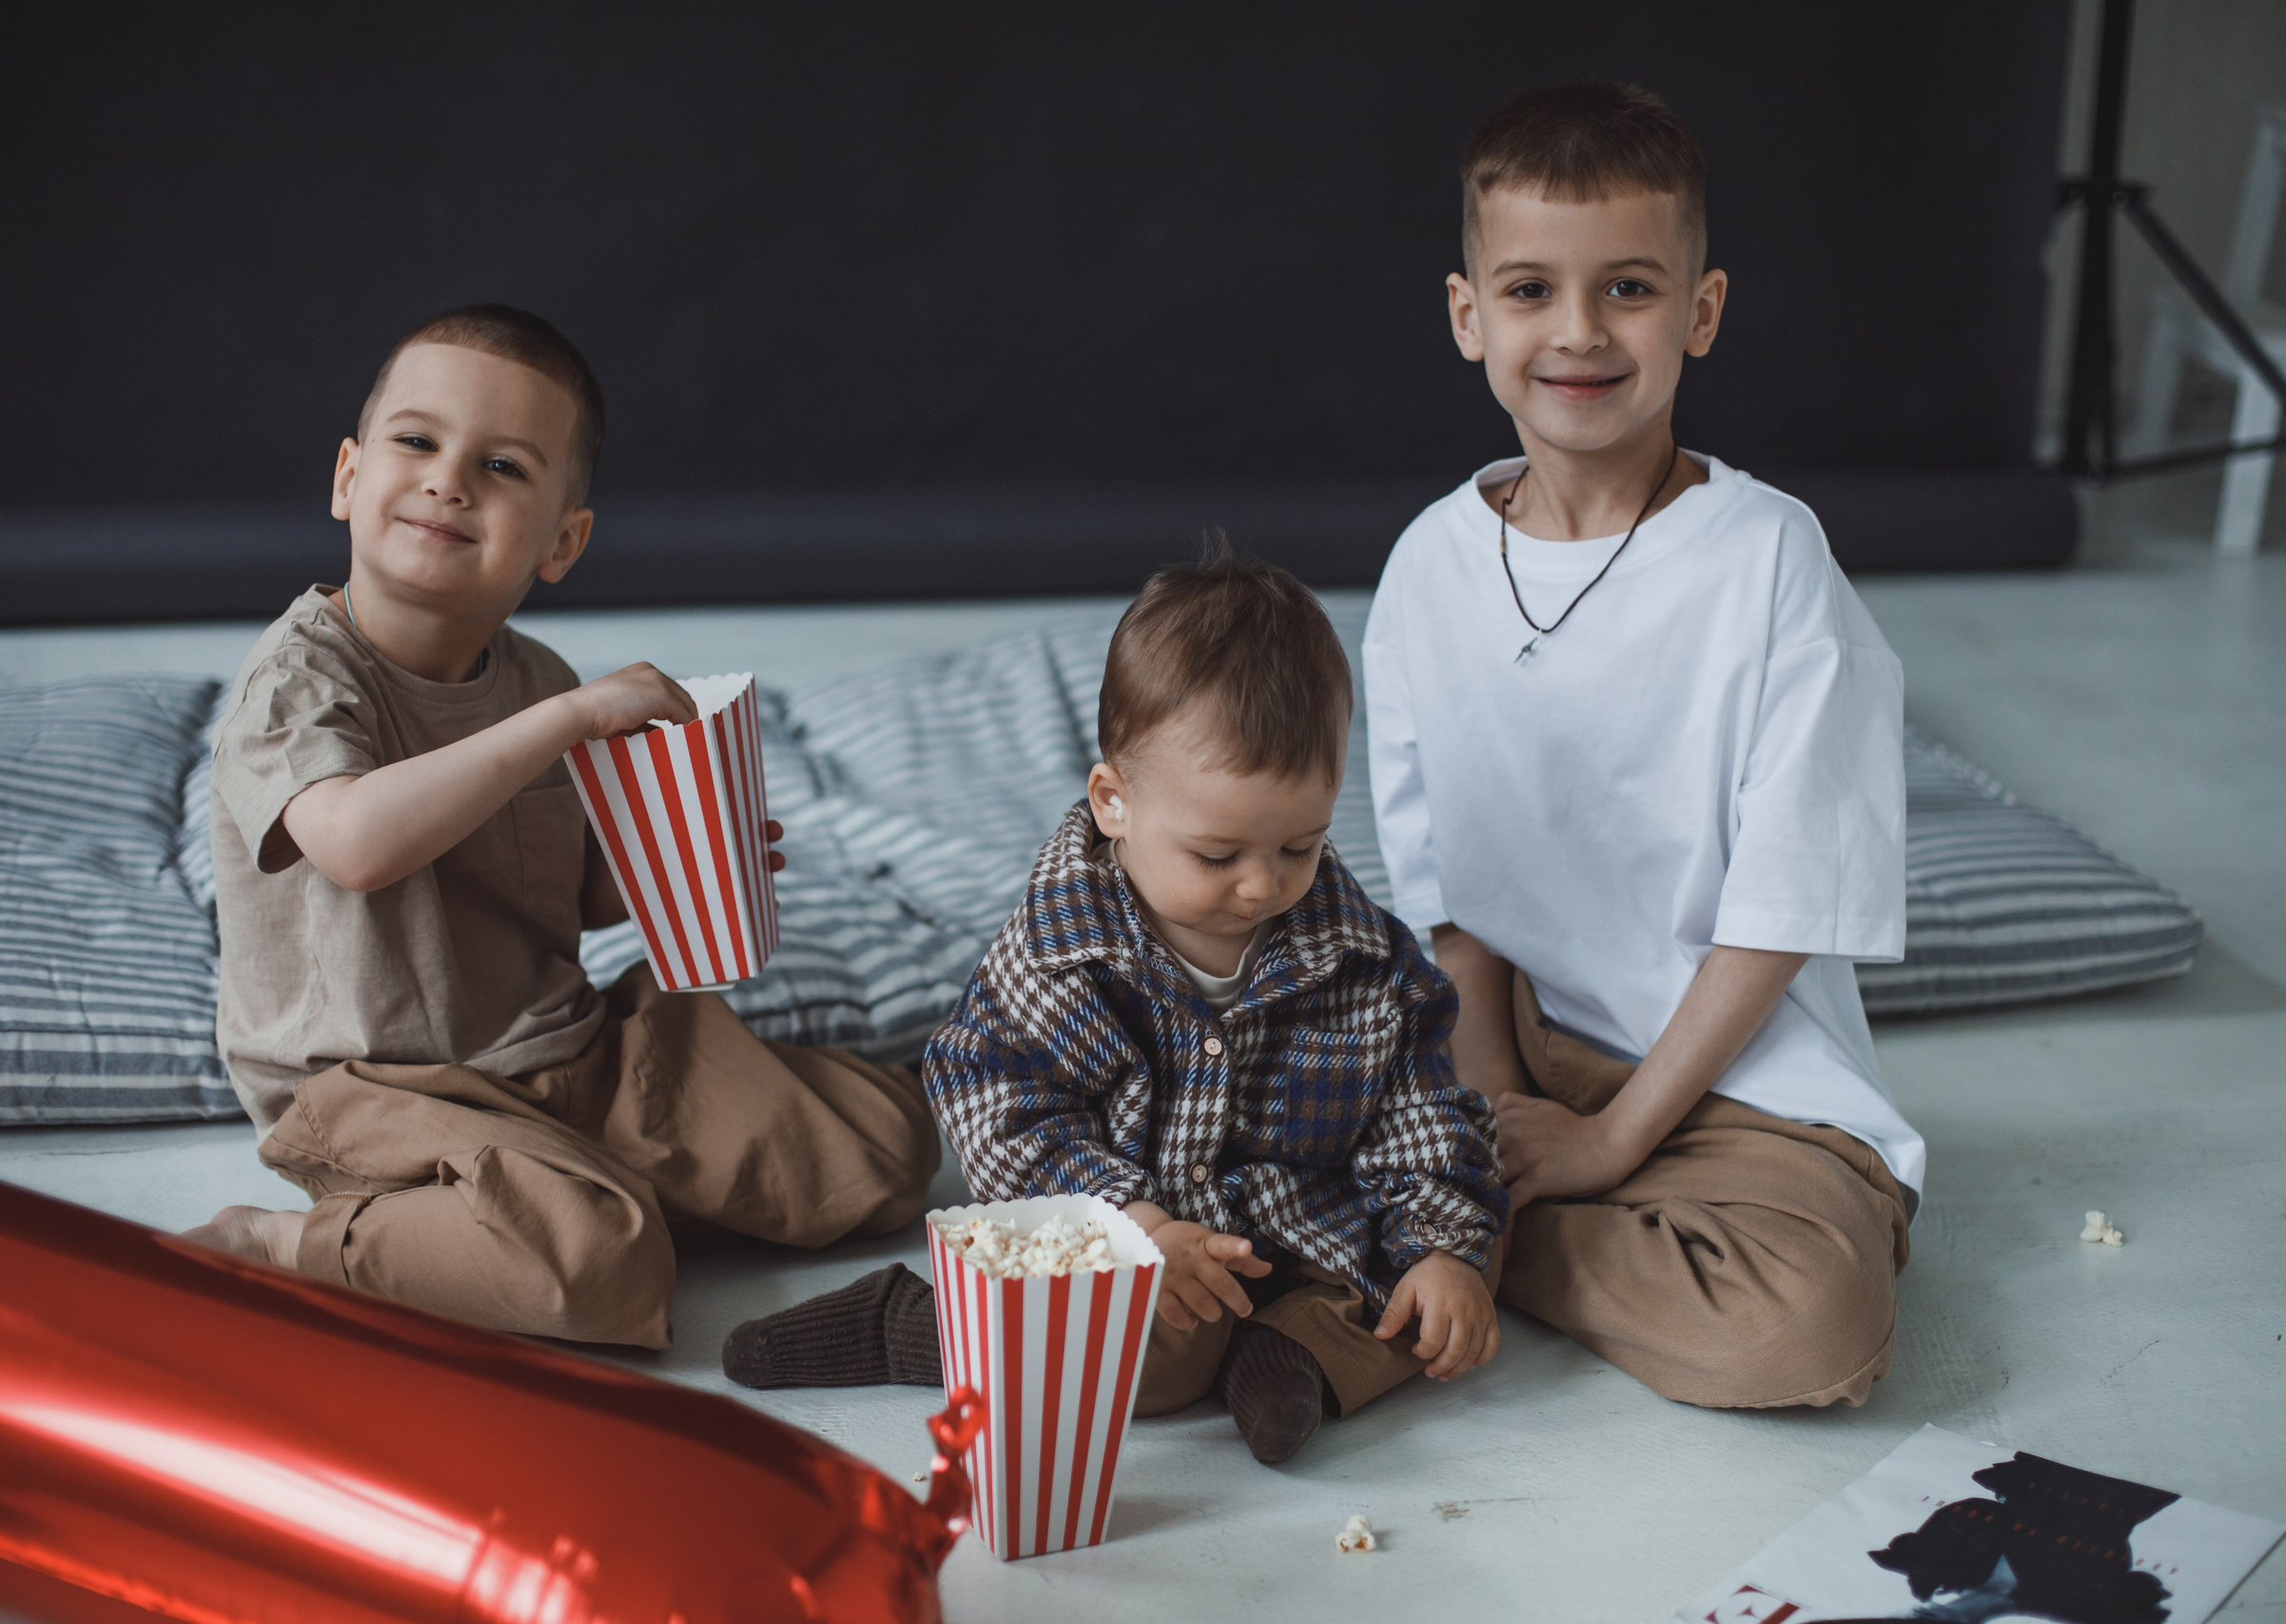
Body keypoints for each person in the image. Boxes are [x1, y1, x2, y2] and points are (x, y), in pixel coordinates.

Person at [185, 305, 937, 1348]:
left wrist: (678, 865)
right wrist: (568, 723)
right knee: (597, 1265)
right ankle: (290, 1244)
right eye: (417, 442)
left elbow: (569, 891)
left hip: (556, 1049)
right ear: (348, 479)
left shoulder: (533, 678)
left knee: (880, 1149)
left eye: (502, 466)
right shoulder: (300, 681)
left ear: (561, 543)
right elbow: (357, 843)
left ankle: (580, 1184)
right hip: (373, 1088)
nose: (450, 479)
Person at [1361, 82, 1921, 1409]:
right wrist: (1496, 1119)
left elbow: (1779, 908)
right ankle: (1447, 1224)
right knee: (1279, 1080)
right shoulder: (1429, 566)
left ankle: (1449, 1247)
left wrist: (1610, 1140)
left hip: (1724, 1065)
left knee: (1813, 1329)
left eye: (1627, 288)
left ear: (1702, 311)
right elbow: (1457, 903)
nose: (1577, 333)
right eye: (1530, 291)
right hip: (1517, 1033)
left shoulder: (1769, 561)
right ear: (1467, 315)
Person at [722, 549, 1507, 1465]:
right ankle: (922, 1321)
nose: (1263, 884)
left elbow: (1418, 1111)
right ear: (1114, 803)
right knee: (1143, 1361)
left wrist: (1435, 1248)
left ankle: (1284, 1352)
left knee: (1460, 1274)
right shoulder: (1066, 952)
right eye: (1218, 855)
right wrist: (1125, 1220)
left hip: (1299, 1233)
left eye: (1301, 844)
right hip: (1123, 1237)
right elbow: (992, 1098)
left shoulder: (1367, 960)